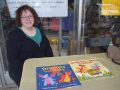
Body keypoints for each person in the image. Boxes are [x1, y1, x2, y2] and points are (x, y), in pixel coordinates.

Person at [6, 5, 53, 87]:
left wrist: (49, 65)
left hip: (41, 68)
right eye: (23, 17)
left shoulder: (39, 30)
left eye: (30, 16)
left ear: (34, 17)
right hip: (22, 71)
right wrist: (29, 74)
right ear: (19, 19)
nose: (27, 19)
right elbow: (12, 60)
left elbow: (48, 50)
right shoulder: (14, 35)